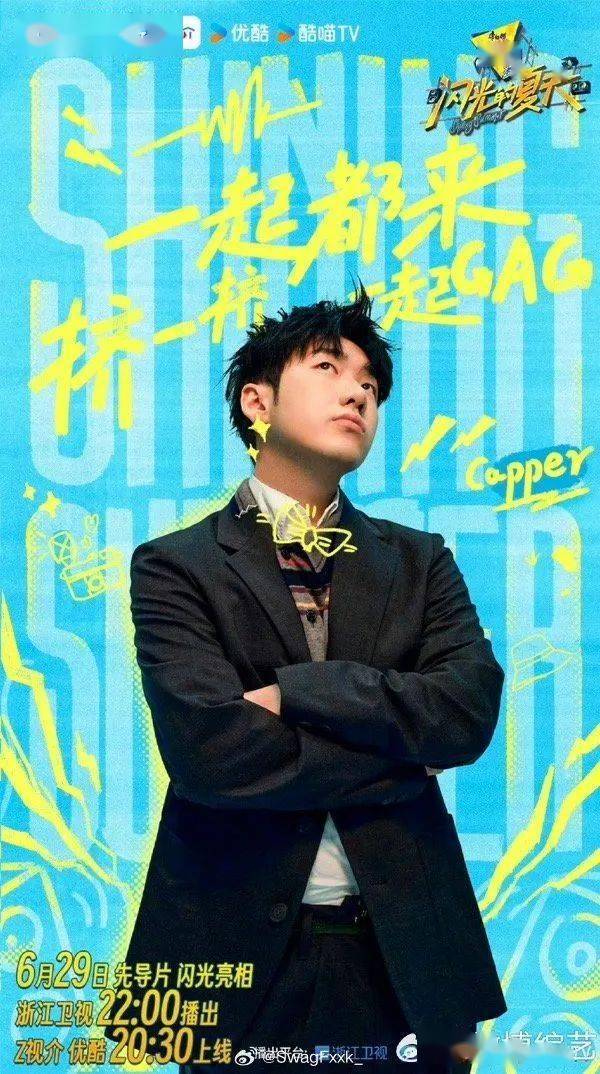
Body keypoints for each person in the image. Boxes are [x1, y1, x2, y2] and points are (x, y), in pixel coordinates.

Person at [106, 283, 507, 1072]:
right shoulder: (175, 566)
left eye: (371, 383)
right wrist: (402, 756)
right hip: (231, 959)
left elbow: (465, 712)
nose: (358, 392)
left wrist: (298, 693)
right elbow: (210, 754)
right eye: (328, 367)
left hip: (410, 959)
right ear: (257, 402)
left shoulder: (419, 561)